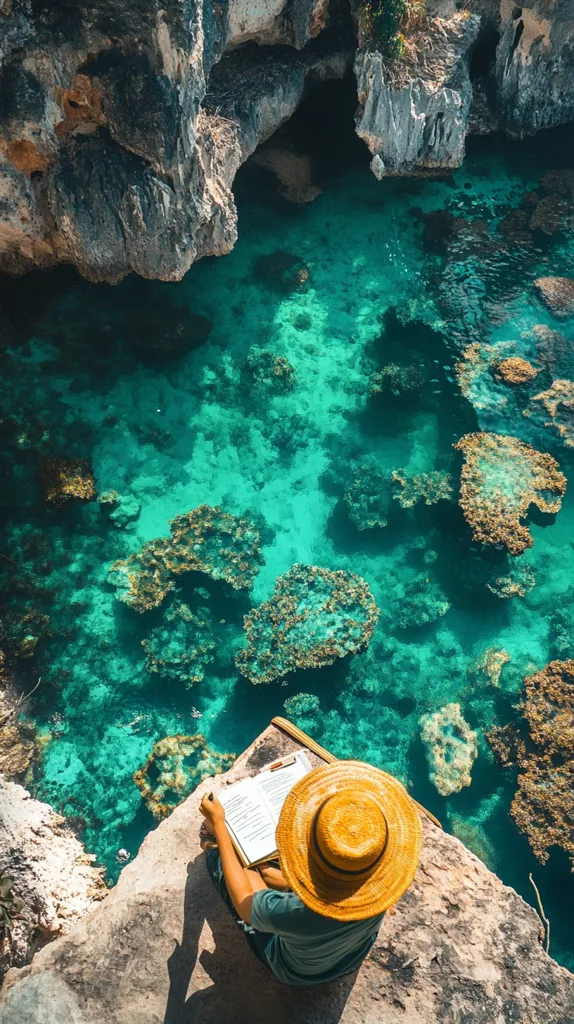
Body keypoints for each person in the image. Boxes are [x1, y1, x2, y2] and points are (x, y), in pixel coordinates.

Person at [199, 759, 422, 986]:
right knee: (266, 874)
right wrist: (267, 874)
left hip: (296, 971)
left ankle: (218, 846)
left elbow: (244, 903)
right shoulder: (382, 885)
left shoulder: (295, 912)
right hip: (349, 958)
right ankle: (260, 867)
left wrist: (220, 826)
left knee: (219, 860)